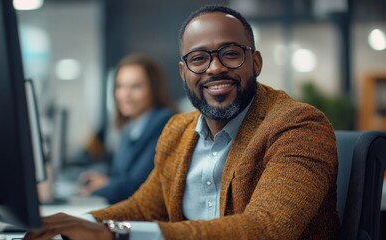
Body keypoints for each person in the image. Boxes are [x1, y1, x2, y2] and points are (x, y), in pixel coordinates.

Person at [24, 5, 339, 240]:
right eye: (199, 58)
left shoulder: (298, 126)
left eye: (230, 54)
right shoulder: (178, 130)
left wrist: (114, 232)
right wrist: (77, 224)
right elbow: (144, 208)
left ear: (255, 62)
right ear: (183, 73)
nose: (214, 68)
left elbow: (266, 228)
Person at [79, 53, 177, 204]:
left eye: (136, 86)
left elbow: (136, 186)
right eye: (120, 86)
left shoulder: (165, 123)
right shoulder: (130, 127)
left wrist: (93, 190)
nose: (125, 95)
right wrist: (106, 181)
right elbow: (121, 176)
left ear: (154, 89)